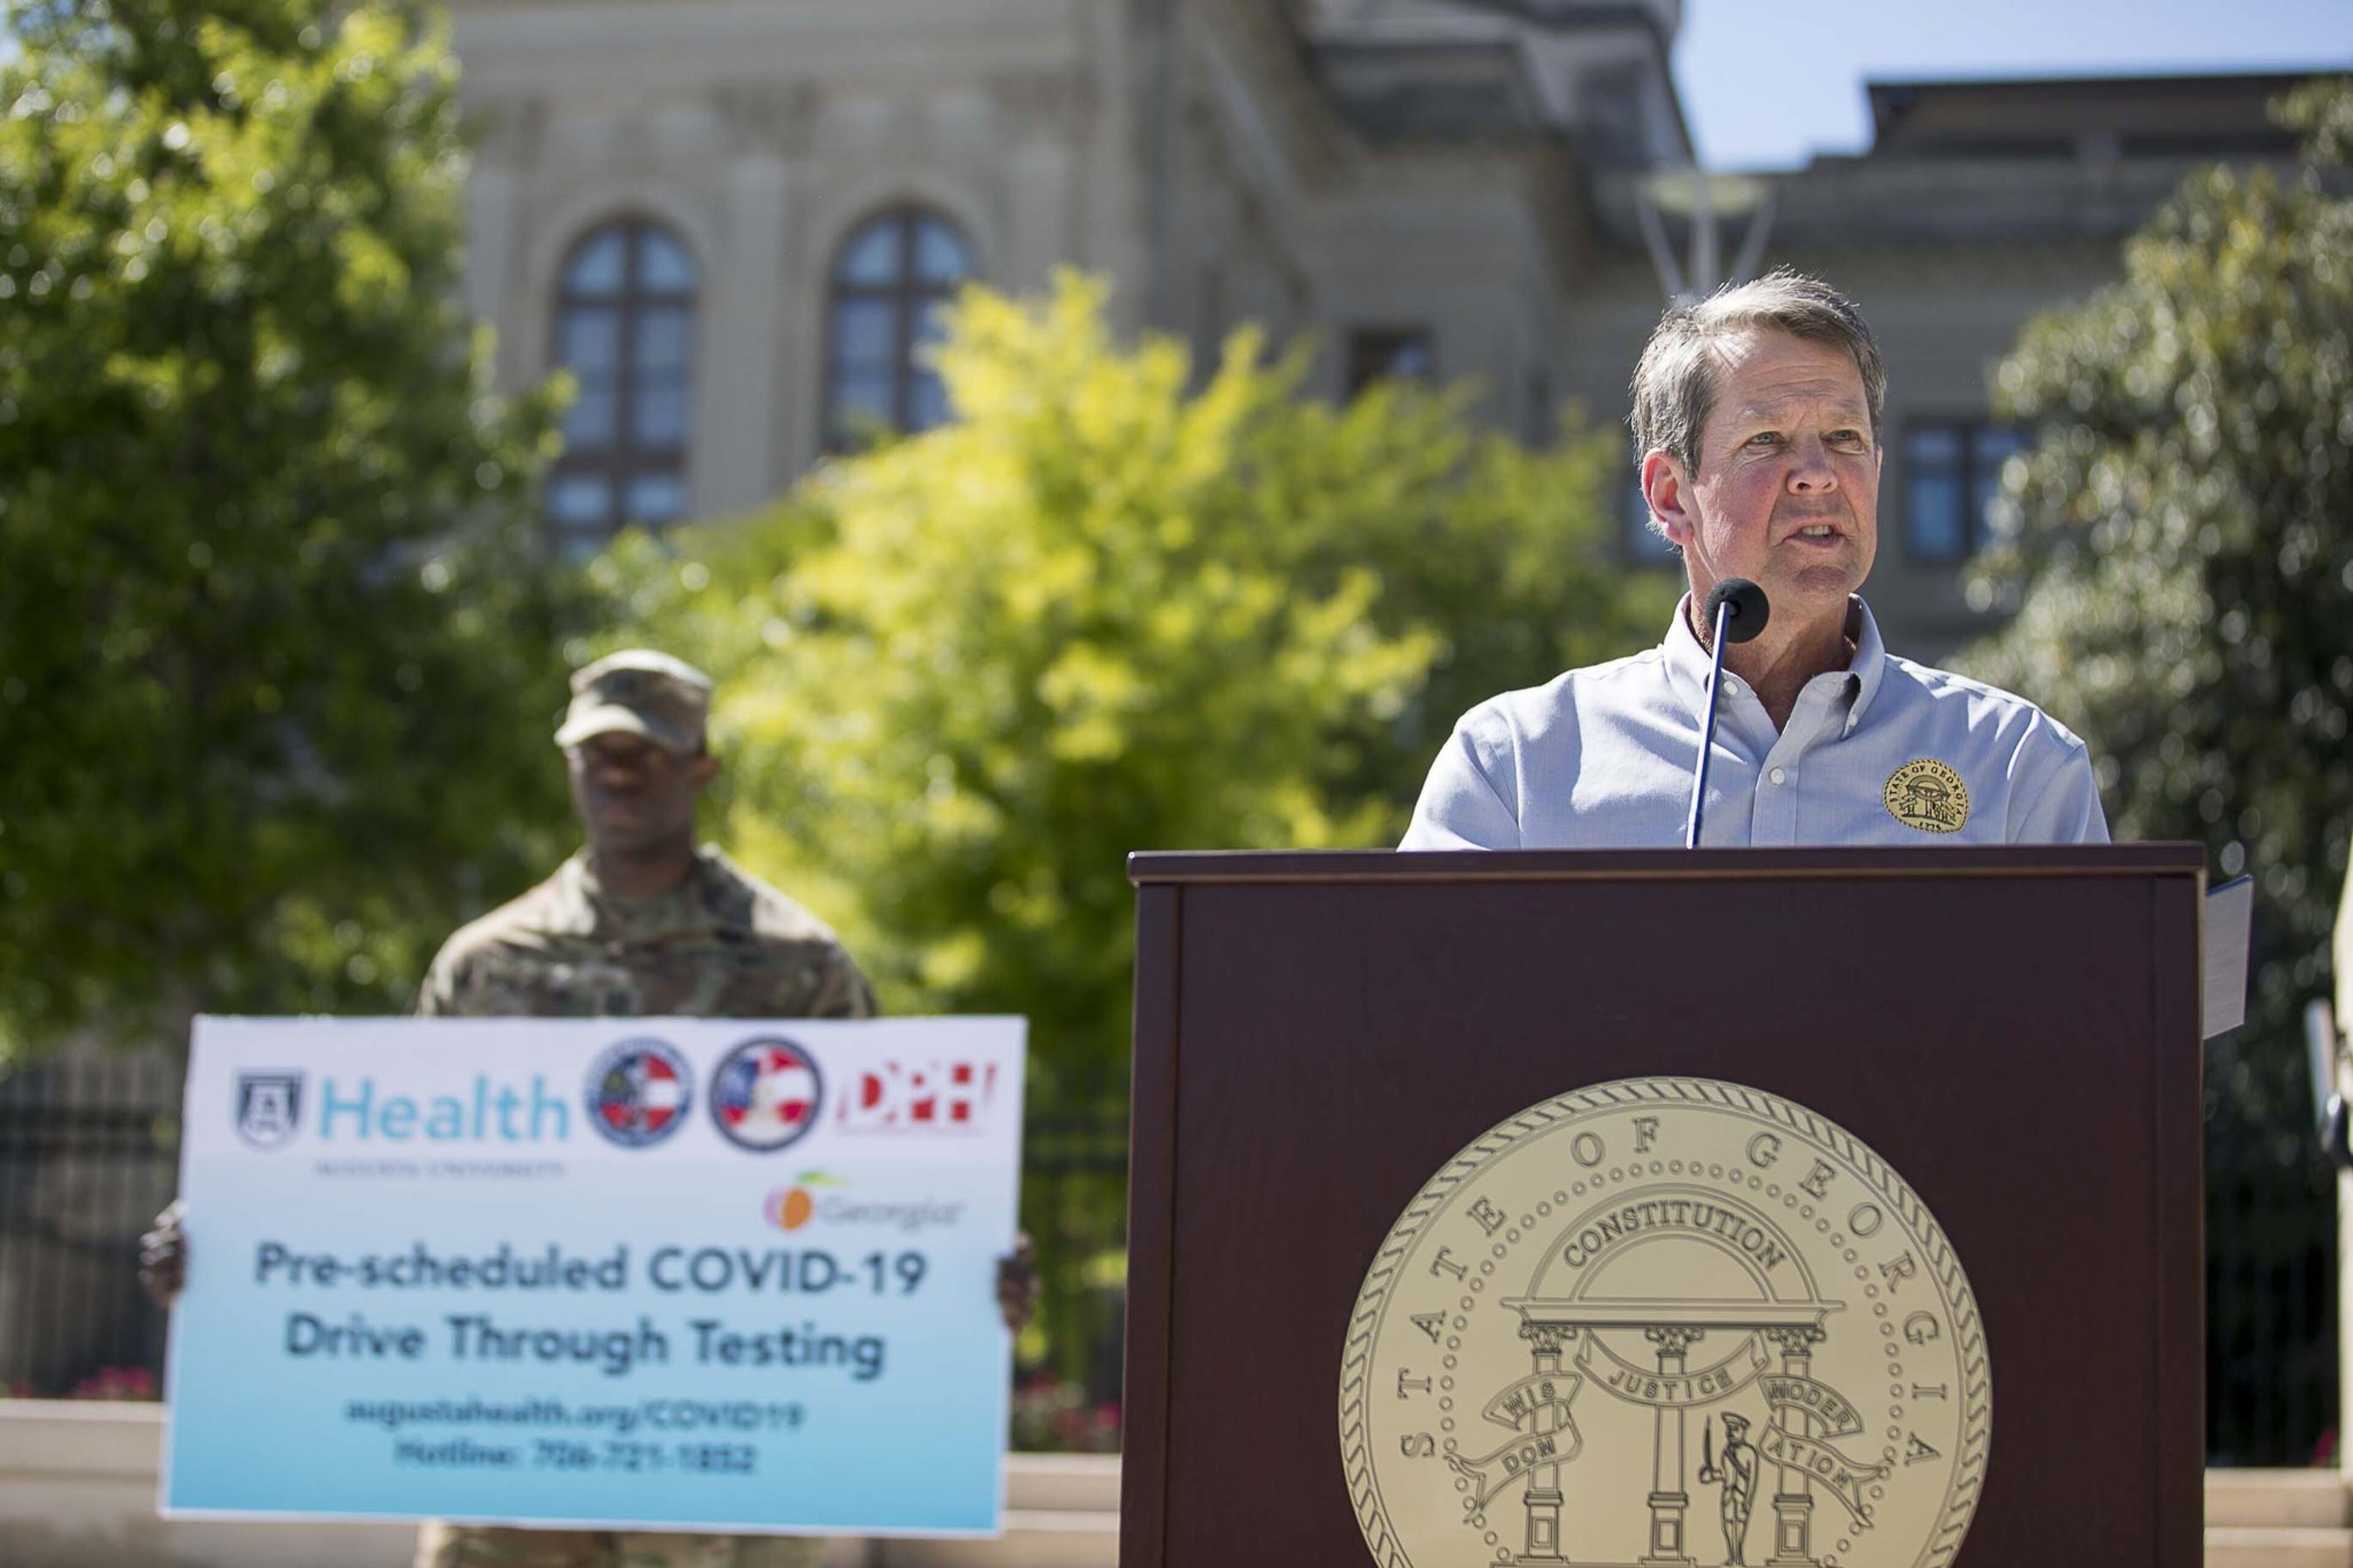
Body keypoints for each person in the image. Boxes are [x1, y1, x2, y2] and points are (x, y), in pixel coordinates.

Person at [145, 649, 1038, 1568]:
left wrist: (963, 1280)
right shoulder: (487, 964)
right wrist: (236, 1252)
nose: (619, 770)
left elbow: (872, 1191)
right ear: (568, 764)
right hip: (513, 1483)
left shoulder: (797, 966)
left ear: (701, 768)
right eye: (596, 751)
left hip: (728, 1490)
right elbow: (396, 1193)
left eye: (648, 752)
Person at [1401, 270, 2108, 849]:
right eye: (1767, 440)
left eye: (1844, 438)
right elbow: (1419, 1010)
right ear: (1671, 495)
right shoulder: (1516, 766)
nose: (1818, 473)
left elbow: (2098, 1015)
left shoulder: (2018, 766)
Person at [1698, 1411, 1758, 1566]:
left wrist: (1748, 1502)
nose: (1731, 1433)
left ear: (1743, 1431)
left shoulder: (1750, 1452)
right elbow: (1725, 1474)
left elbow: (1752, 1481)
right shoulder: (1726, 1452)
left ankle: (1739, 1559)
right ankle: (1732, 1557)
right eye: (1729, 1430)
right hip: (1727, 1495)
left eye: (1735, 1430)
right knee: (1728, 1527)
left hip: (1741, 1496)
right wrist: (1711, 1475)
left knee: (1739, 1527)